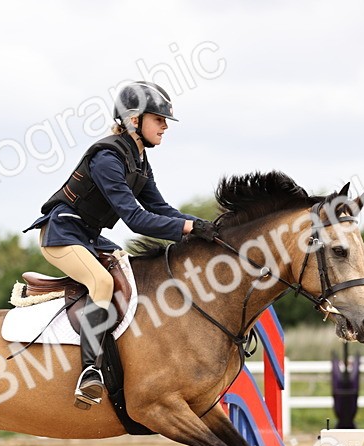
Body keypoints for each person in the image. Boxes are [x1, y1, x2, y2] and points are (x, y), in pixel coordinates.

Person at [25, 81, 219, 409]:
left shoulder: (138, 160)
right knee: (101, 282)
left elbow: (161, 210)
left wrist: (206, 228)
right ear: (133, 120)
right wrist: (186, 227)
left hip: (88, 236)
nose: (165, 127)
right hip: (62, 235)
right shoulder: (108, 157)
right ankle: (89, 371)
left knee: (133, 274)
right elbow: (135, 219)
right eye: (158, 119)